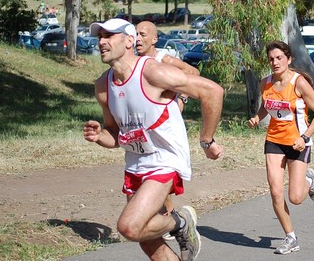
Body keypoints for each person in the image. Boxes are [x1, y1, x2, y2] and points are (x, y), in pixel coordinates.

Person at [83, 18, 224, 261]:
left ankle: (180, 222)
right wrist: (99, 136)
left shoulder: (152, 72)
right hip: (135, 161)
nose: (102, 42)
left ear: (129, 41)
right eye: (100, 37)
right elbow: (115, 135)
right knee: (149, 244)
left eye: (109, 36)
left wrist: (207, 140)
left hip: (165, 158)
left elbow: (212, 91)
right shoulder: (103, 86)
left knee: (129, 227)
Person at [247, 41, 314, 255]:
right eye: (271, 59)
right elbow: (266, 105)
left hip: (298, 143)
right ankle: (291, 237)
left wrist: (305, 136)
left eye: (279, 58)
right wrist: (257, 117)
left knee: (296, 198)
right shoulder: (266, 83)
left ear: (289, 59)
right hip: (273, 141)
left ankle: (308, 179)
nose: (275, 62)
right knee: (275, 191)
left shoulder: (298, 83)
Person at [135, 21, 201, 226]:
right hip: (143, 126)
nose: (138, 38)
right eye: (135, 34)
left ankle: (170, 218)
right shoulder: (133, 62)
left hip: (165, 124)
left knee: (158, 171)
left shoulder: (163, 59)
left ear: (154, 39)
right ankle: (172, 216)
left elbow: (193, 73)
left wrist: (181, 98)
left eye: (143, 35)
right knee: (148, 172)